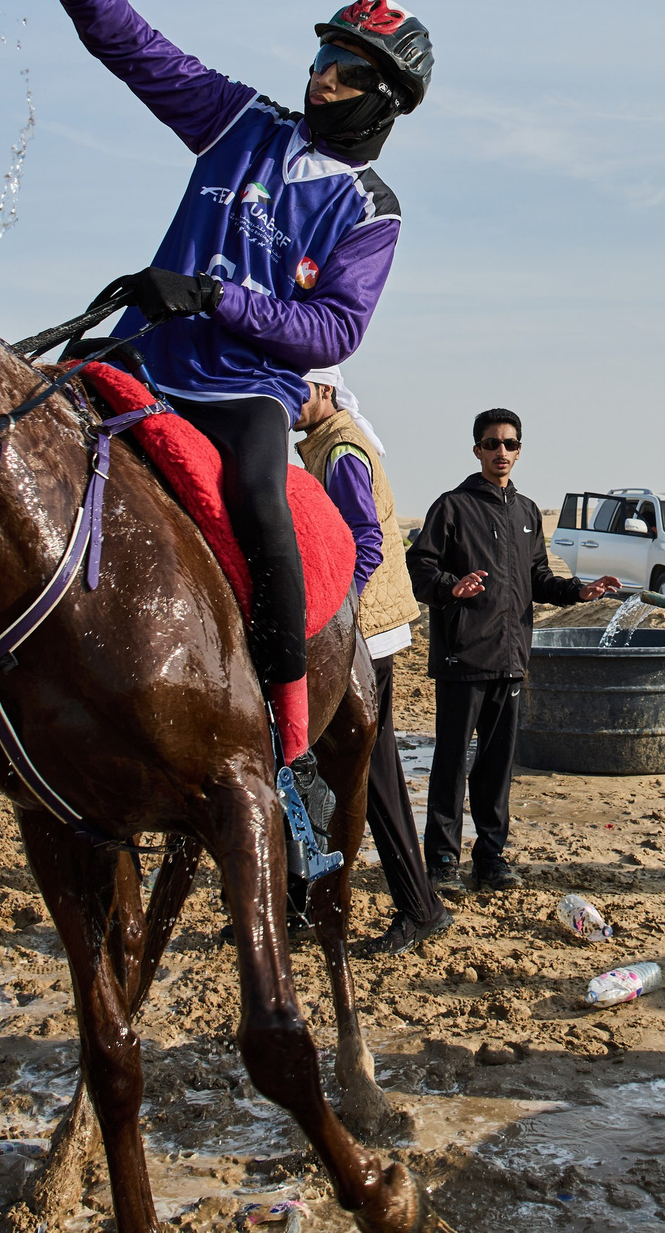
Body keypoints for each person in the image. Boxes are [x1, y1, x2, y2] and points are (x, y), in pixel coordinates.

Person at [0, 0, 431, 857]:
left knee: (264, 513)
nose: (322, 81)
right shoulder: (239, 124)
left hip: (242, 396)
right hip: (144, 361)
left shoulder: (370, 210)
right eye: (321, 58)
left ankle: (293, 757)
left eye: (347, 74)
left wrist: (218, 296)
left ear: (385, 99)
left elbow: (332, 333)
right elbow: (142, 53)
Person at [406, 409, 619, 891]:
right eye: (491, 443)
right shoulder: (452, 507)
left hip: (510, 659)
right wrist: (450, 588)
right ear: (476, 450)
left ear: (519, 450)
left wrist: (577, 591)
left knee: (497, 764)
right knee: (452, 761)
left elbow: (536, 578)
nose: (501, 452)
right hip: (463, 655)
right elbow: (418, 567)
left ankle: (490, 858)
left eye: (509, 444)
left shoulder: (526, 512)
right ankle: (441, 861)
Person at [294, 368, 449, 955]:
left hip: (367, 634)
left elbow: (363, 540)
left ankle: (418, 907)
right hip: (371, 631)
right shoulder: (333, 442)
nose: (286, 401)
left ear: (325, 391)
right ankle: (414, 904)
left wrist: (340, 611)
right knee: (362, 773)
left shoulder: (341, 451)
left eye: (296, 389)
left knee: (370, 776)